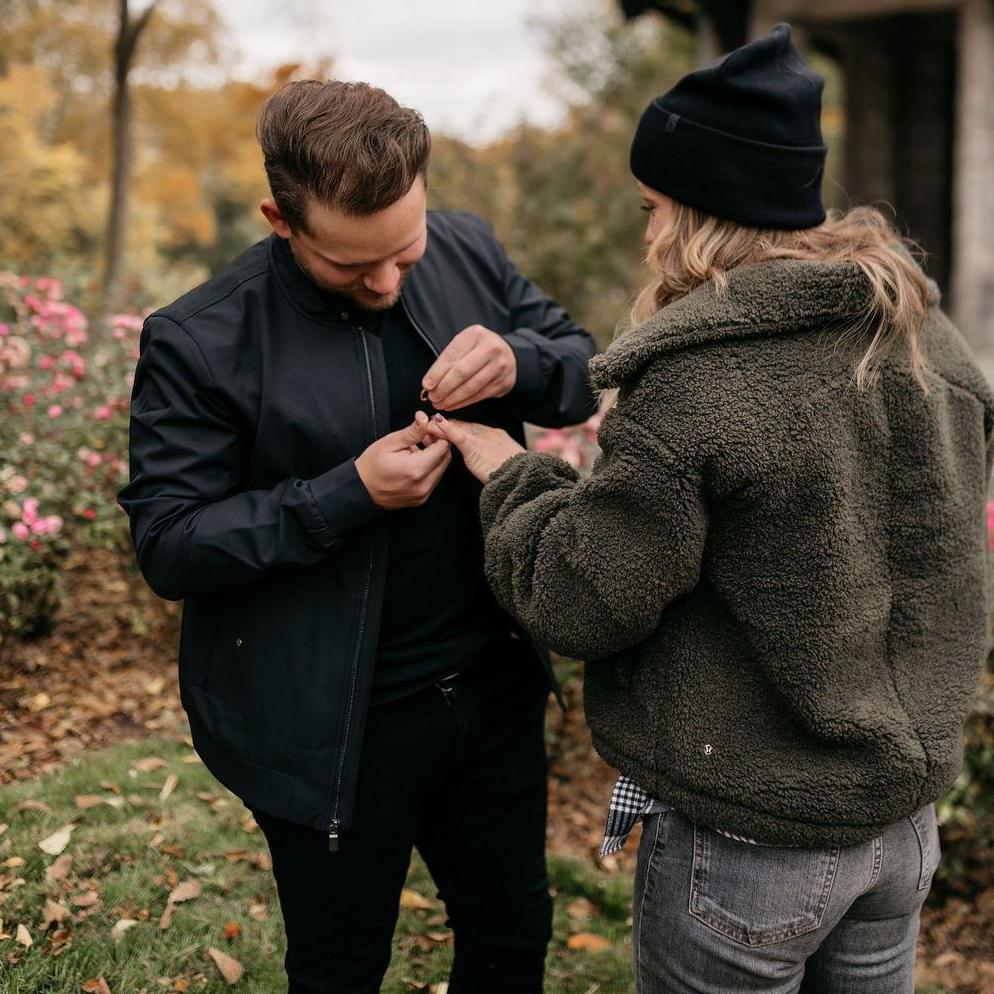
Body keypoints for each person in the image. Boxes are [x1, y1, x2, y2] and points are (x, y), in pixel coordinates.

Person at [426, 24, 994, 994]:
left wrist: (510, 473)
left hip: (752, 838)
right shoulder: (922, 338)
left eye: (654, 207)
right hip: (897, 832)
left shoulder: (699, 382)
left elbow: (582, 600)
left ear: (703, 211)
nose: (648, 232)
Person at [117, 79, 598, 994]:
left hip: (493, 688)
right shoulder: (200, 339)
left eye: (404, 254)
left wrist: (523, 360)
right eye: (352, 266)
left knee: (512, 934)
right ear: (279, 218)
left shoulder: (468, 246)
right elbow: (171, 544)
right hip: (334, 723)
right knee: (341, 968)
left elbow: (579, 367)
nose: (385, 283)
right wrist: (346, 495)